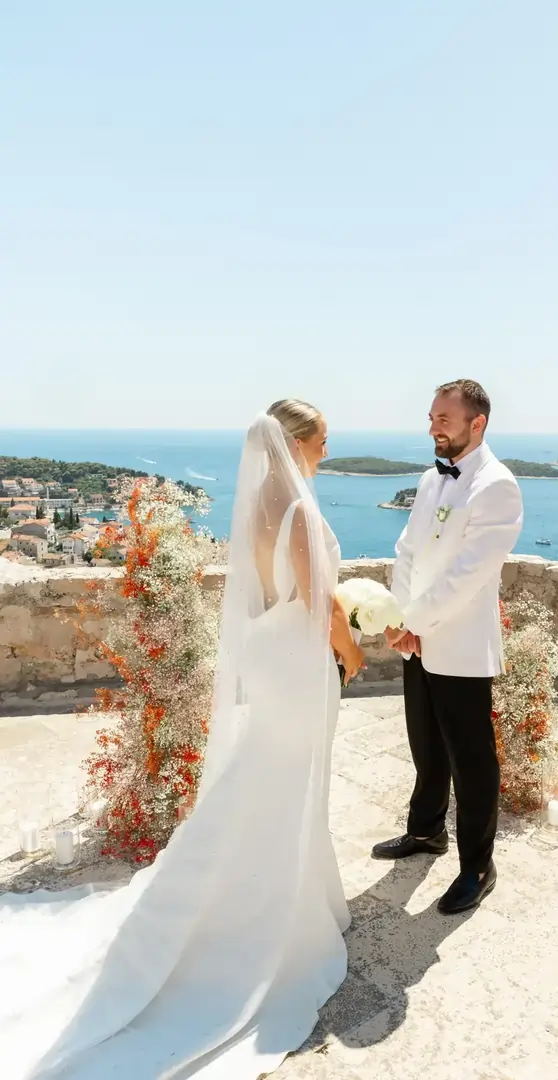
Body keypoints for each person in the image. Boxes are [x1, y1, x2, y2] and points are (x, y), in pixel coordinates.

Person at [0, 401, 364, 1080]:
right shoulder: (302, 513)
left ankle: (279, 897)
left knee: (262, 784)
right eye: (323, 444)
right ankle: (280, 920)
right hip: (299, 670)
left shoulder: (256, 511)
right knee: (288, 785)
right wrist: (355, 652)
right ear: (301, 445)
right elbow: (322, 608)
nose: (326, 454)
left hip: (268, 666)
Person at [375, 379, 523, 915]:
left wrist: (413, 619)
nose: (433, 426)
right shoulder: (428, 477)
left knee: (472, 759)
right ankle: (425, 832)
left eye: (444, 418)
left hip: (459, 646)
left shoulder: (497, 486)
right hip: (418, 639)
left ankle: (478, 867)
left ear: (476, 423)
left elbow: (467, 575)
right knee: (426, 746)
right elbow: (407, 551)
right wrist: (399, 620)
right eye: (432, 416)